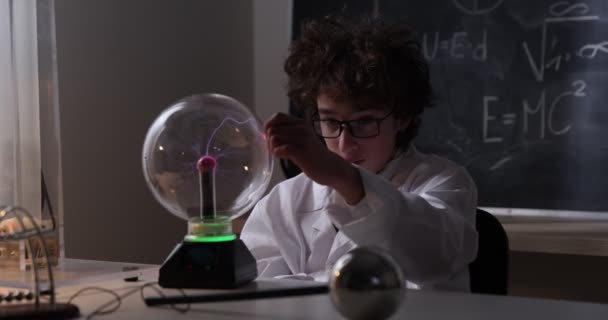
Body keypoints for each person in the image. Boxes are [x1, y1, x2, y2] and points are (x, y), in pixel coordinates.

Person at [240, 14, 478, 291]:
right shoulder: (284, 201)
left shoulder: (445, 183)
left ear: (403, 116)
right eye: (329, 121)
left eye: (364, 122)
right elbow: (255, 291)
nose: (344, 144)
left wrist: (345, 178)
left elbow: (432, 261)